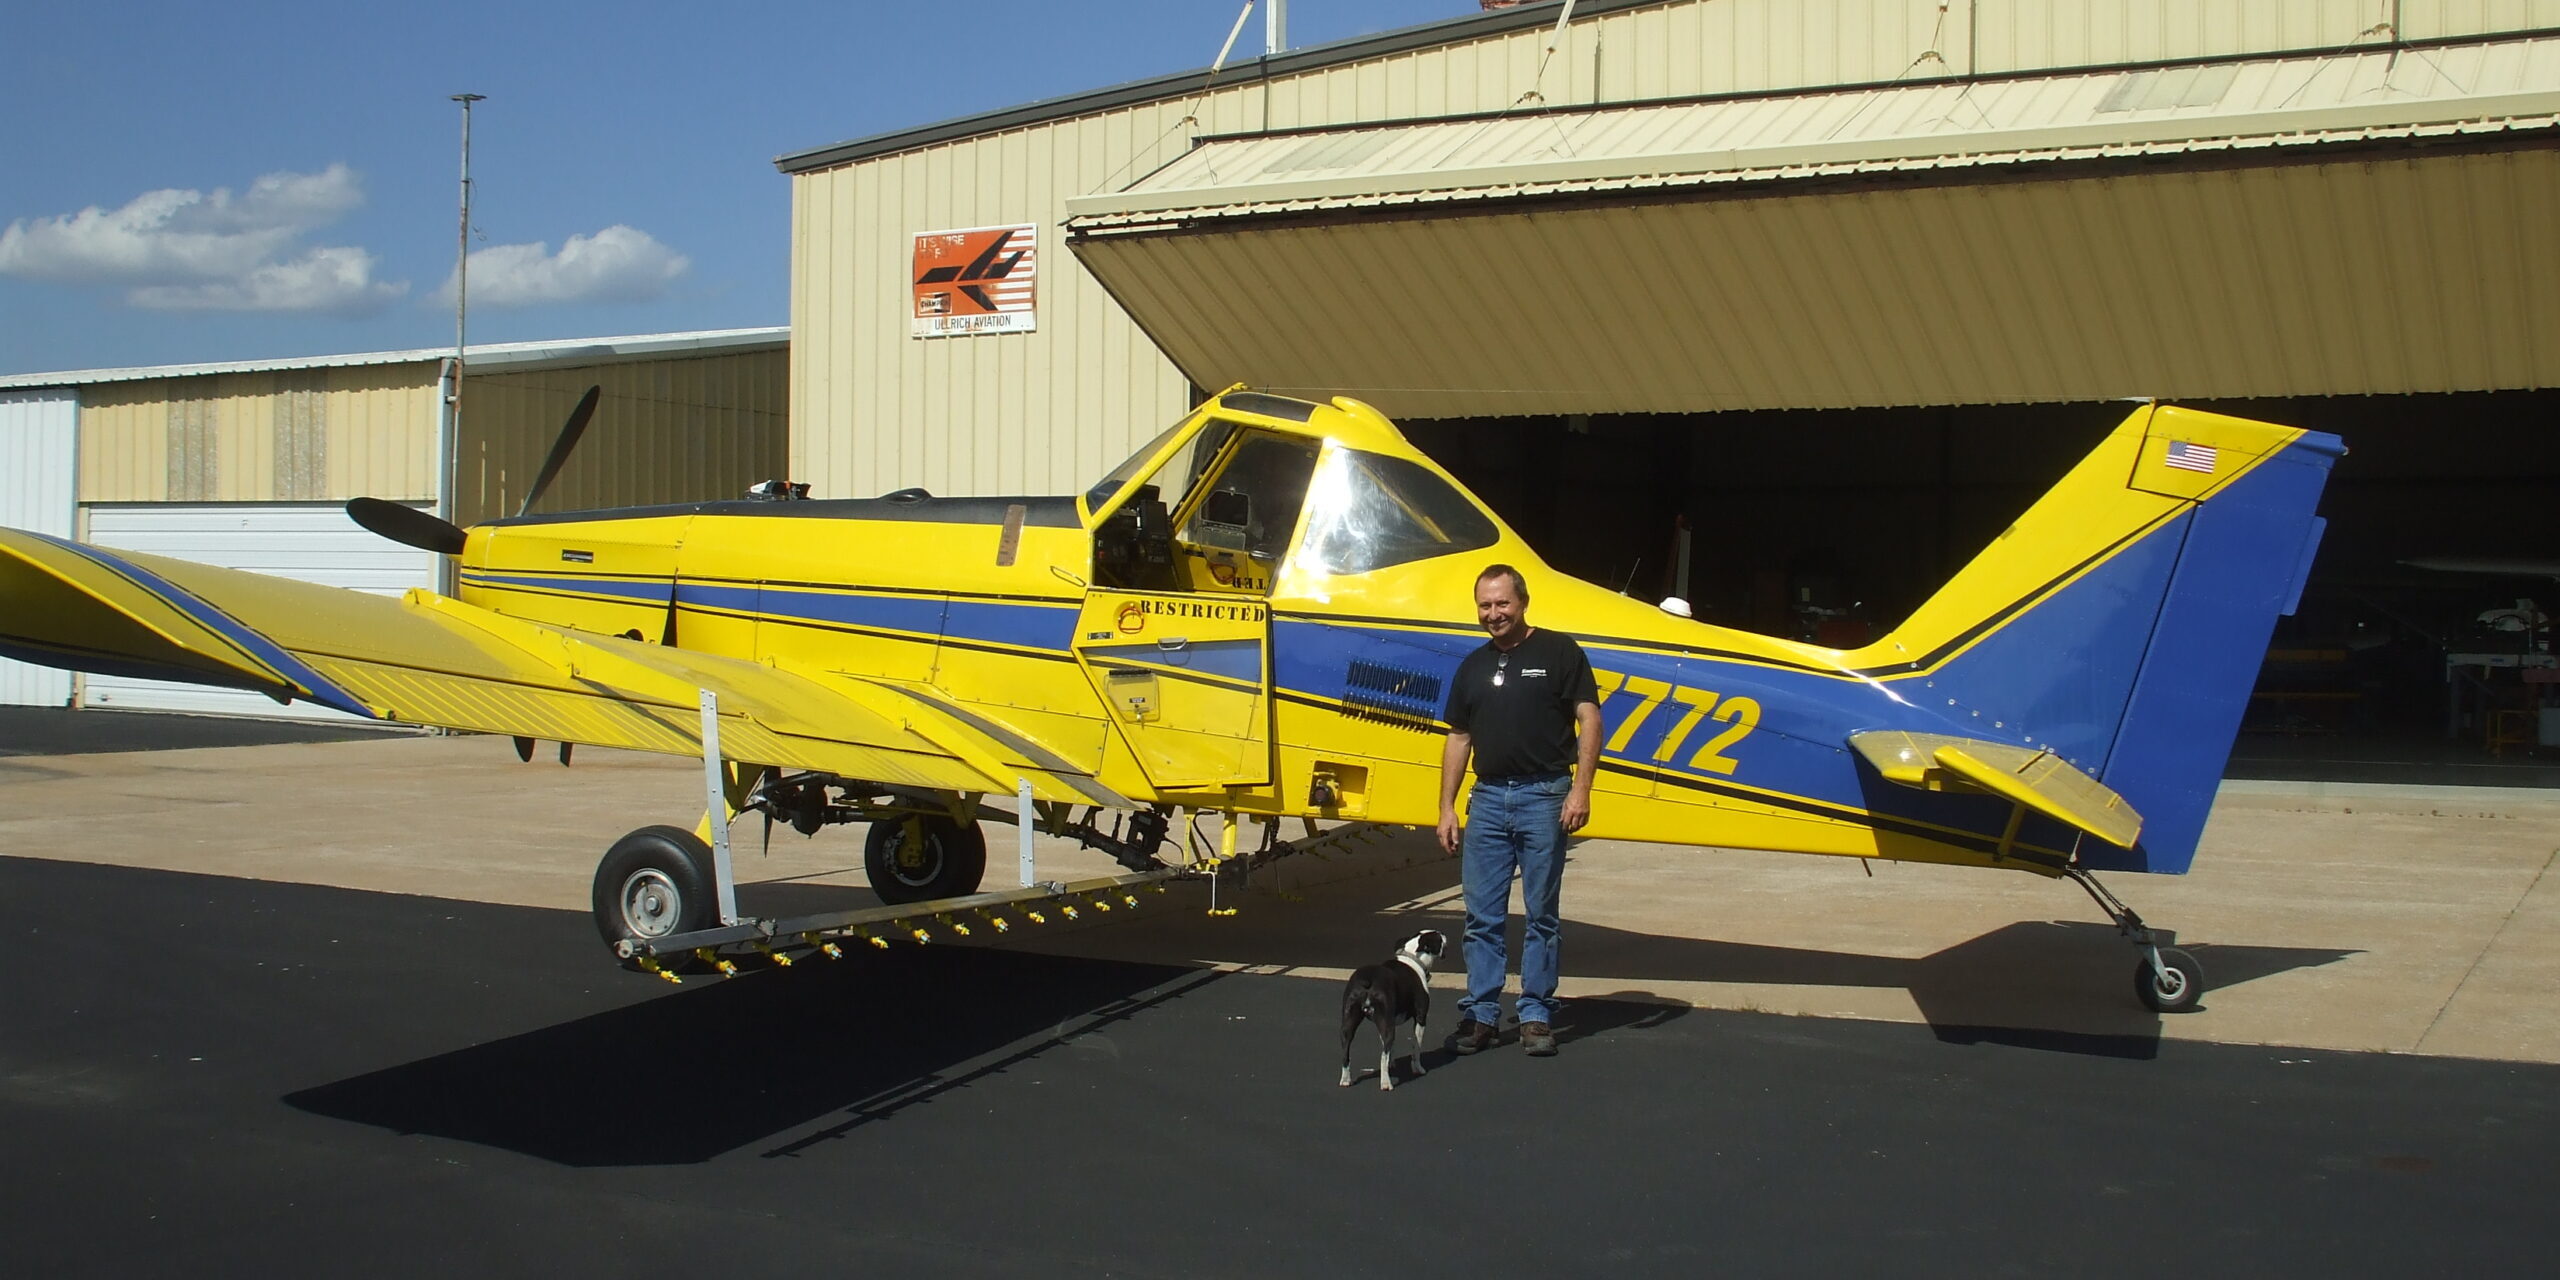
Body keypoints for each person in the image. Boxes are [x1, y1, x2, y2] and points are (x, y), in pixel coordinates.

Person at [1436, 563, 1602, 1057]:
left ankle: (1534, 1014)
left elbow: (1589, 718)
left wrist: (1581, 789)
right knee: (1481, 916)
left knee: (1541, 915)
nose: (1494, 614)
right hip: (1487, 800)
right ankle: (1481, 1014)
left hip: (1544, 796)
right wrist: (1446, 807)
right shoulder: (1473, 666)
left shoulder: (1559, 652)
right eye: (1485, 606)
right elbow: (1458, 737)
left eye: (1502, 603)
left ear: (1523, 602)